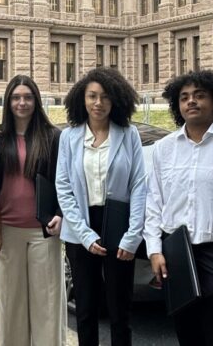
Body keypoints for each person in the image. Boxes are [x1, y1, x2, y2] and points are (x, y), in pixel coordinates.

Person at [144, 70, 213, 346]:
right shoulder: (164, 148)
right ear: (177, 105)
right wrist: (155, 250)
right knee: (187, 332)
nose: (191, 101)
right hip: (177, 253)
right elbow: (153, 202)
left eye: (199, 95)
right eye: (184, 97)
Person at [56, 67, 147, 346]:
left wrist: (133, 236)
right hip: (81, 228)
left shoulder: (128, 134)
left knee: (120, 309)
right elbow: (64, 188)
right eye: (92, 96)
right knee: (85, 308)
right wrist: (84, 234)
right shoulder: (69, 138)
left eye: (105, 97)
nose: (98, 103)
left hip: (119, 226)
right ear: (81, 100)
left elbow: (139, 185)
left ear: (116, 100)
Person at [0, 75, 65, 346]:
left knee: (47, 303)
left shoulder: (53, 137)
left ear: (36, 101)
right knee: (11, 302)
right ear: (8, 101)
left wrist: (60, 213)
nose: (22, 103)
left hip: (43, 230)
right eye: (16, 97)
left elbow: (64, 181)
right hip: (6, 231)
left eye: (27, 97)